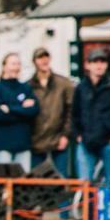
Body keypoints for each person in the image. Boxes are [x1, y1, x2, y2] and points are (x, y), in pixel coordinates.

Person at [72, 49, 110, 188]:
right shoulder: (81, 88)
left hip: (108, 142)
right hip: (86, 142)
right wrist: (78, 135)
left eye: (102, 61)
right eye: (95, 62)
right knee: (85, 183)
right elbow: (75, 113)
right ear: (88, 65)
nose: (99, 65)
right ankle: (90, 210)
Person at [0, 53, 40, 171]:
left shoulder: (25, 88)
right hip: (2, 145)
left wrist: (10, 109)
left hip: (23, 144)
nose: (16, 67)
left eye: (18, 64)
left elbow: (33, 111)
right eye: (13, 63)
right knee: (2, 185)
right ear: (4, 66)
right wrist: (22, 109)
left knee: (22, 185)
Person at [29, 46, 75, 174]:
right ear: (34, 62)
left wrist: (66, 135)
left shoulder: (64, 83)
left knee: (61, 179)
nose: (44, 61)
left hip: (58, 138)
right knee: (37, 181)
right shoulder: (28, 86)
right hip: (36, 140)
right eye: (40, 58)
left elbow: (71, 110)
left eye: (46, 57)